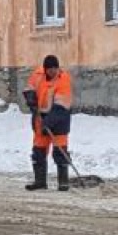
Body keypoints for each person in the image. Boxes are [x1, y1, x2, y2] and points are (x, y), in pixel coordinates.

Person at [23, 54, 75, 192]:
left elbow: (62, 106)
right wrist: (31, 98)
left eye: (55, 68)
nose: (53, 71)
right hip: (41, 118)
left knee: (60, 152)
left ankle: (63, 182)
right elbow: (29, 88)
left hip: (59, 119)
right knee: (38, 151)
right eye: (50, 69)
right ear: (45, 69)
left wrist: (49, 122)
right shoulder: (38, 74)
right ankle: (40, 181)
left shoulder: (63, 80)